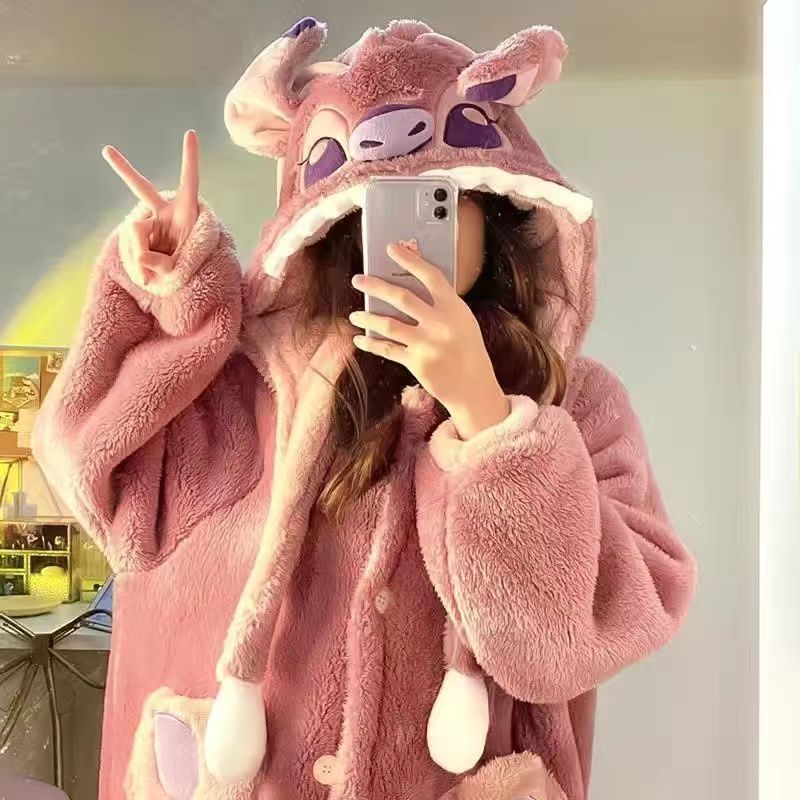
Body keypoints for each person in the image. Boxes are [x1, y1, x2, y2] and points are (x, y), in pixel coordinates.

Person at [33, 18, 697, 800]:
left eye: (437, 200)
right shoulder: (248, 387)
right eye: (377, 207)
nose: (406, 235)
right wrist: (166, 308)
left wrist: (487, 417)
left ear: (495, 204)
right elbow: (103, 487)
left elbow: (579, 637)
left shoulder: (577, 405)